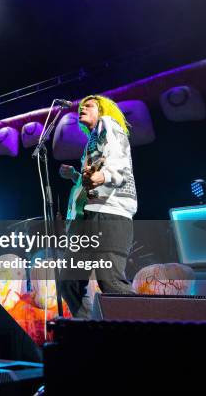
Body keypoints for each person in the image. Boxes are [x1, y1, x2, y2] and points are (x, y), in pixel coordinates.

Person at [58, 95, 137, 319]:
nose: (82, 108)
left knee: (110, 280)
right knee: (69, 282)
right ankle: (87, 333)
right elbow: (90, 182)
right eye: (81, 106)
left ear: (102, 110)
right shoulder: (92, 140)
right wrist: (76, 176)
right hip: (89, 217)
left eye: (89, 105)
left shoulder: (109, 125)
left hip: (109, 215)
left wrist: (103, 176)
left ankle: (142, 332)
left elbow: (120, 165)